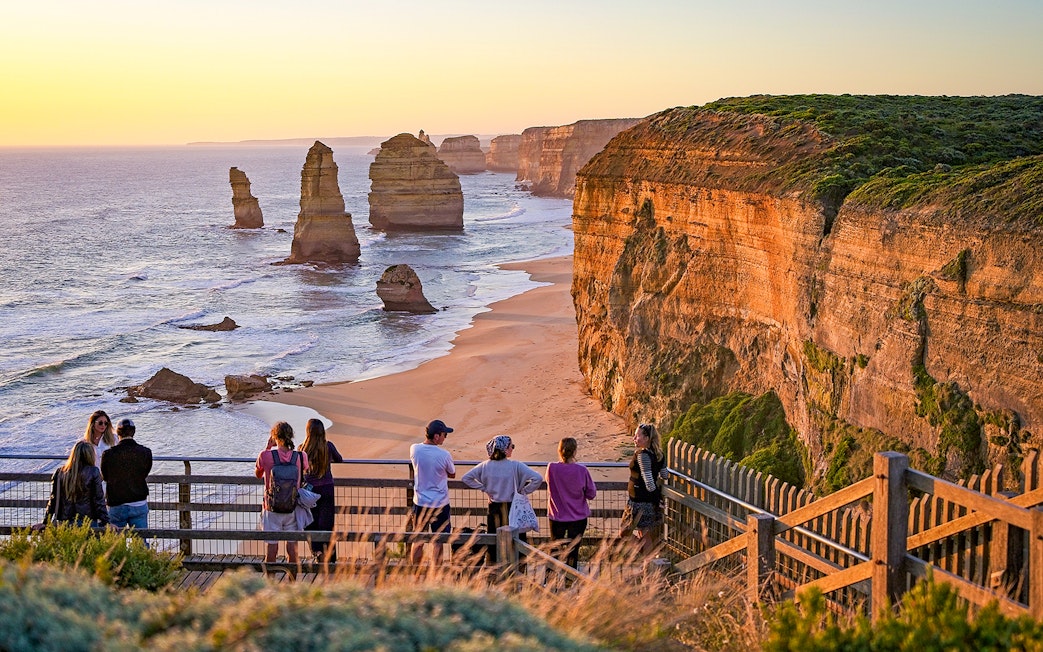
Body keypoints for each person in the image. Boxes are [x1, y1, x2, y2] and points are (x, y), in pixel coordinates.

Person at [462, 435, 542, 564]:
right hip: (513, 507)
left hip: (494, 508)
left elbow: (466, 478)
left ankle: (494, 573)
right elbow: (537, 478)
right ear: (505, 449)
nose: (513, 449)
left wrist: (484, 488)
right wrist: (523, 491)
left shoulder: (485, 466)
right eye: (512, 446)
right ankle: (518, 572)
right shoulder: (515, 465)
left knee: (494, 542)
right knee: (518, 541)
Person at [255, 421, 309, 564]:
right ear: (291, 436)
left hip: (271, 507)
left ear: (274, 437)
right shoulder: (300, 456)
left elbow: (258, 473)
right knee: (293, 549)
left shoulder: (265, 456)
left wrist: (267, 447)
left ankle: (271, 584)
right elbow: (305, 471)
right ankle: (291, 583)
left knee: (271, 549)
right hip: (293, 507)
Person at [408, 419, 456, 566]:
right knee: (438, 540)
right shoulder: (444, 455)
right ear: (436, 436)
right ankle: (435, 574)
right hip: (440, 503)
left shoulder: (414, 449)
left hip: (420, 502)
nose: (444, 438)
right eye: (444, 435)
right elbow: (452, 474)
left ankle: (415, 571)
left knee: (418, 539)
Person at [545, 437, 597, 569]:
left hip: (557, 516)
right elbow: (591, 494)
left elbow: (549, 483)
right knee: (573, 551)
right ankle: (570, 581)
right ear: (574, 452)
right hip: (578, 517)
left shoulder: (551, 468)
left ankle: (550, 580)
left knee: (555, 549)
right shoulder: (582, 470)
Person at [298, 418, 343, 564]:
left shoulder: (301, 449)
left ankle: (317, 553)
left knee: (311, 523)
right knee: (327, 524)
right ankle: (331, 557)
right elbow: (339, 459)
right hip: (327, 488)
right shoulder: (328, 446)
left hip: (310, 491)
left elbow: (300, 470)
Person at [619, 423, 667, 554]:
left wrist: (657, 500)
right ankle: (647, 560)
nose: (634, 438)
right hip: (645, 501)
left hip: (640, 502)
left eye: (637, 436)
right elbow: (665, 475)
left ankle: (646, 559)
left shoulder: (642, 455)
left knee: (625, 532)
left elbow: (649, 481)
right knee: (643, 534)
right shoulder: (660, 454)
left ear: (646, 438)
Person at [101, 418, 153, 530]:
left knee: (115, 542)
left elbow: (105, 477)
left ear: (117, 433)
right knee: (141, 542)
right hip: (138, 501)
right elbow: (145, 473)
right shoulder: (146, 452)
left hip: (116, 503)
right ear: (133, 432)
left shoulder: (108, 454)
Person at [42, 440, 109, 527]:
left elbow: (53, 500)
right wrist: (106, 522)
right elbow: (98, 499)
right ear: (90, 455)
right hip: (87, 521)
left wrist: (45, 522)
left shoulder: (60, 472)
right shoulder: (93, 472)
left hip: (64, 522)